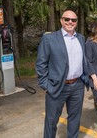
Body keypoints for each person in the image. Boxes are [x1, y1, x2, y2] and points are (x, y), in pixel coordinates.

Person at [36, 10, 87, 138]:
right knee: (51, 120)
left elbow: (85, 60)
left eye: (73, 20)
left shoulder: (81, 38)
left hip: (77, 85)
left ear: (76, 22)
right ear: (61, 20)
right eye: (67, 19)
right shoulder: (49, 39)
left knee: (75, 119)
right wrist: (46, 85)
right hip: (57, 86)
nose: (70, 22)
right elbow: (41, 64)